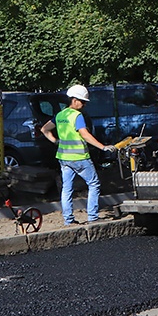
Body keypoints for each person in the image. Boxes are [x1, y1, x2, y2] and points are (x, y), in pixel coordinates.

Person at [41, 85, 115, 225]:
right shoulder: (77, 115)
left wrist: (55, 141)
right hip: (79, 157)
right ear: (74, 100)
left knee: (67, 188)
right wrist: (103, 147)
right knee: (93, 184)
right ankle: (93, 217)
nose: (84, 104)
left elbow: (44, 129)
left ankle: (68, 220)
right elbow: (85, 135)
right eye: (82, 101)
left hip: (64, 158)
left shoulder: (61, 115)